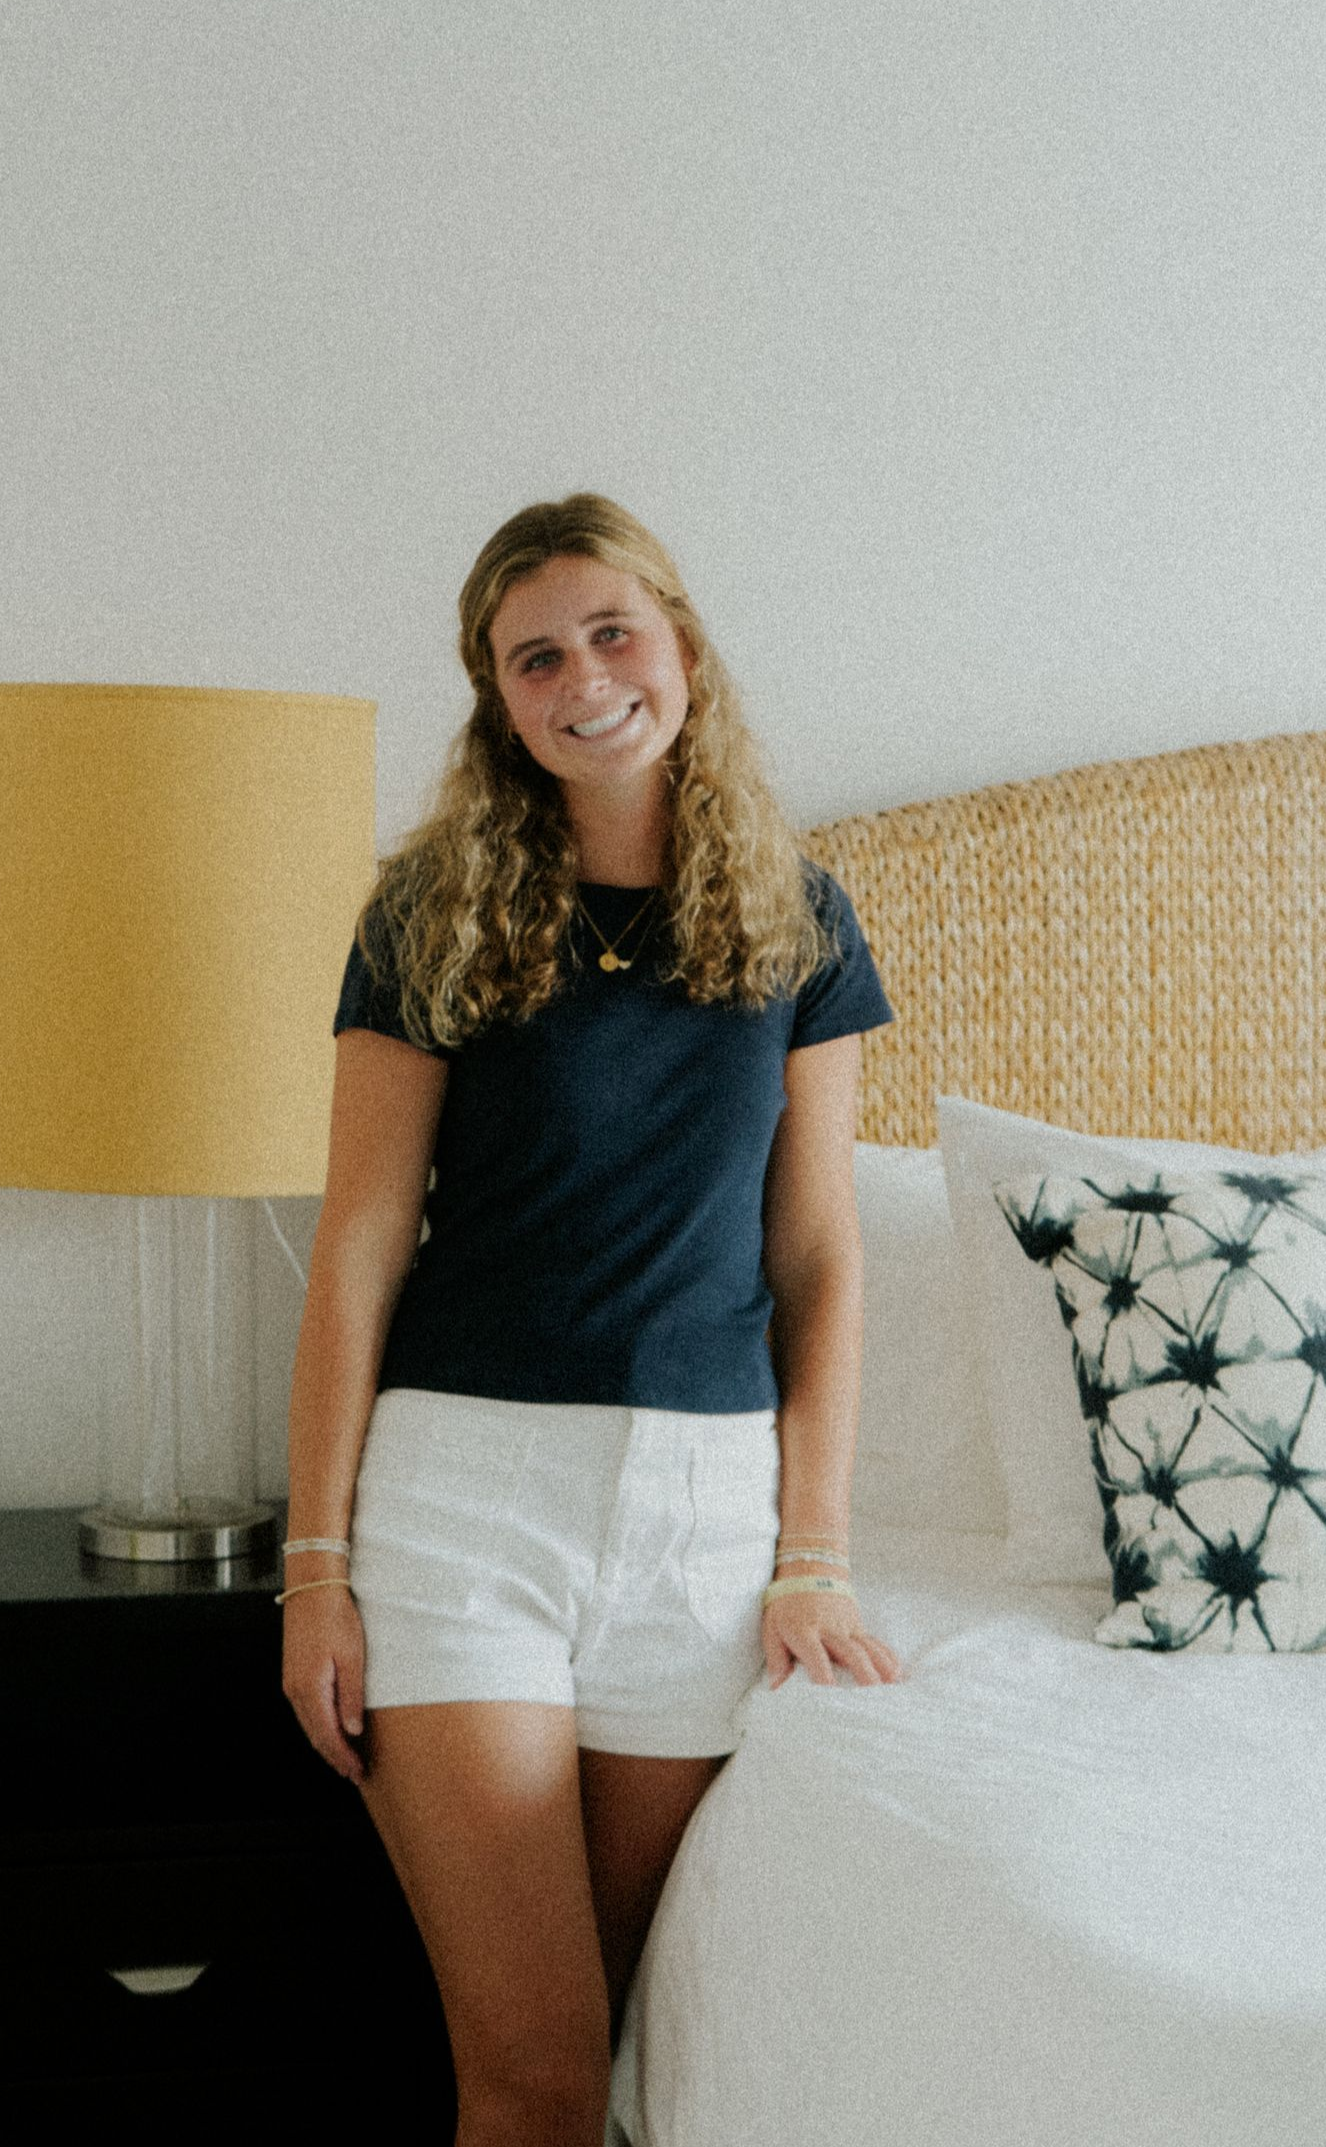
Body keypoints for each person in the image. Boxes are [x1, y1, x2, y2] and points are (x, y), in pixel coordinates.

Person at [280, 492, 902, 2147]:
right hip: (465, 1510)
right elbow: (355, 1246)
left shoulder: (802, 919)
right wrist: (314, 1570)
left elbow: (820, 1257)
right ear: (499, 700)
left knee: (613, 2062)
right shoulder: (431, 914)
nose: (584, 678)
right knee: (536, 2076)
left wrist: (814, 1551)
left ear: (682, 646)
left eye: (612, 633)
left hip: (706, 1529)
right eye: (533, 656)